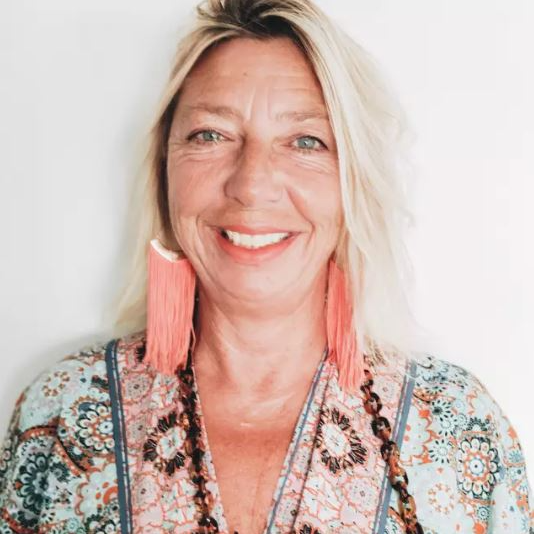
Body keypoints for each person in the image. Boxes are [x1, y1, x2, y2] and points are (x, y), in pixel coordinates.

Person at [1, 0, 533, 532]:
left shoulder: (458, 426)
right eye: (210, 135)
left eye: (306, 141)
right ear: (164, 170)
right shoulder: (63, 414)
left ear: (354, 182)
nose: (252, 185)